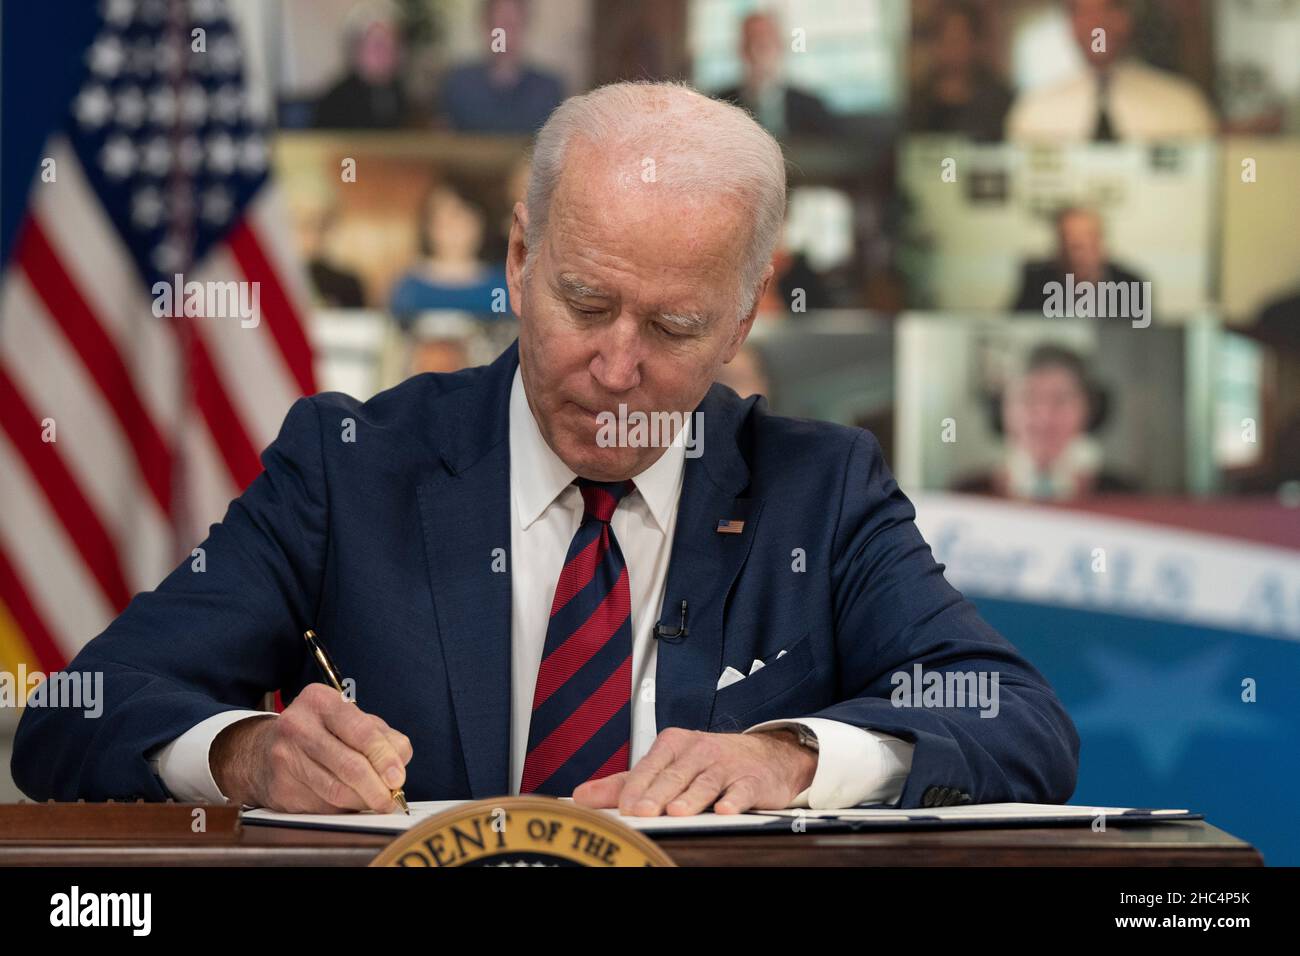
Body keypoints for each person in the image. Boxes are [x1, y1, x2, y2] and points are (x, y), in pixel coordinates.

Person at [14, 82, 1078, 816]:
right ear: (520, 258)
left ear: (743, 321)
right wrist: (246, 753)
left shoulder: (822, 488)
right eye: (584, 300)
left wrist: (791, 755)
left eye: (672, 329)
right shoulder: (349, 467)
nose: (616, 368)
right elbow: (74, 716)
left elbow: (1020, 722)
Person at [1006, 0, 1216, 142]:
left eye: (1107, 9)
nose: (1096, 25)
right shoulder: (1034, 112)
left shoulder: (1182, 107)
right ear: (1069, 23)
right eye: (1082, 12)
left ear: (1127, 17)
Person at [954, 344, 1136, 499]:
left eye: (1061, 399)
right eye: (1028, 398)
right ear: (1001, 409)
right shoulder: (966, 495)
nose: (1044, 417)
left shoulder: (1125, 495)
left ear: (1090, 410)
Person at [388, 180, 509, 324]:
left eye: (458, 217)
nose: (451, 228)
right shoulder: (407, 286)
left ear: (480, 223)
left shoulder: (501, 286)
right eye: (441, 219)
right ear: (428, 227)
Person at [439, 0, 564, 134]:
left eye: (511, 26)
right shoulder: (458, 84)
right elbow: (444, 141)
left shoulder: (548, 89)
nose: (504, 36)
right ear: (484, 27)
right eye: (498, 27)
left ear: (525, 26)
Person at [714, 11, 839, 138]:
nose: (759, 49)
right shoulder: (721, 105)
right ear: (741, 49)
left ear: (780, 46)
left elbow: (831, 150)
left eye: (766, 42)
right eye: (753, 41)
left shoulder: (812, 106)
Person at [909, 0, 1013, 142]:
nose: (951, 49)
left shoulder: (999, 100)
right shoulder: (918, 101)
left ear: (975, 43)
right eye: (943, 39)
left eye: (958, 39)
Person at [1010, 207, 1146, 313]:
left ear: (1101, 244)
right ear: (1058, 247)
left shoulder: (1130, 285)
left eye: (1085, 243)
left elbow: (1144, 337)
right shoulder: (1036, 284)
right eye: (1069, 244)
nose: (1076, 255)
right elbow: (1017, 328)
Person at [314, 2, 410, 129]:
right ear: (356, 49)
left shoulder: (402, 93)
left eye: (392, 46)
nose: (385, 54)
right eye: (377, 45)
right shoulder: (337, 100)